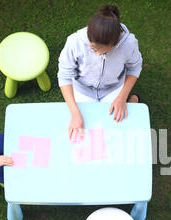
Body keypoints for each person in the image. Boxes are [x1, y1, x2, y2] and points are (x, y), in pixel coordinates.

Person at [57, 4, 143, 142]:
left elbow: (134, 68)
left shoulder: (129, 43)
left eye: (101, 51)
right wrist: (74, 113)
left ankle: (132, 99)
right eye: (92, 49)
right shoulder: (74, 42)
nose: (97, 55)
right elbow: (64, 76)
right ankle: (133, 101)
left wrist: (121, 97)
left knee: (113, 130)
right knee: (83, 131)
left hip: (113, 89)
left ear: (115, 44)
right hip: (82, 89)